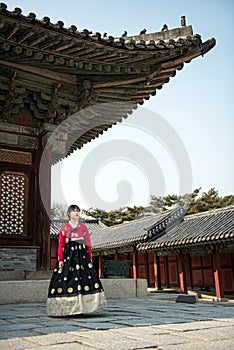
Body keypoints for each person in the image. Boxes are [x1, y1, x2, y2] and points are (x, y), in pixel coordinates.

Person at [47, 204, 107, 316]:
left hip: (82, 256)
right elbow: (61, 245)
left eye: (78, 211)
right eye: (74, 211)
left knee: (84, 278)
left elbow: (88, 244)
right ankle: (69, 308)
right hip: (69, 256)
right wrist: (60, 260)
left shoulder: (83, 227)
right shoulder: (64, 228)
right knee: (68, 278)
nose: (76, 213)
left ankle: (85, 307)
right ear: (69, 213)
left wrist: (89, 257)